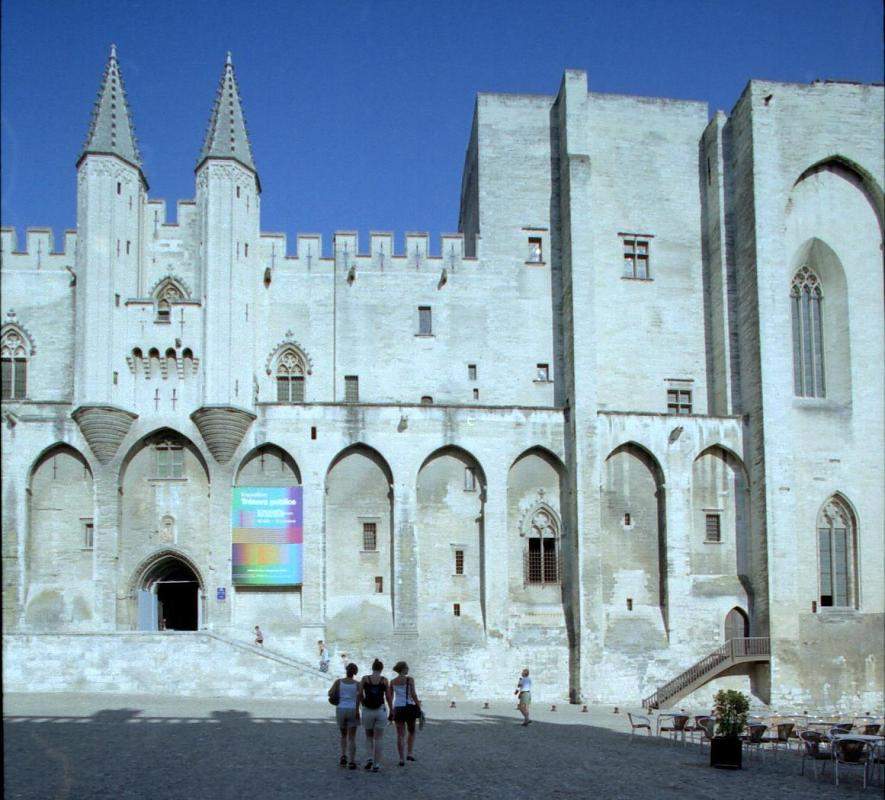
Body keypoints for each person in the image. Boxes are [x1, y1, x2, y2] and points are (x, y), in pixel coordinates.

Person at [388, 661, 422, 766]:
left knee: (400, 734)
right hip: (409, 707)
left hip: (398, 708)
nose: (408, 669)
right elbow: (413, 694)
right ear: (403, 669)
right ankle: (410, 753)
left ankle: (401, 759)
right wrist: (419, 706)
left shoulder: (393, 681)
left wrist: (391, 710)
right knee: (411, 731)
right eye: (407, 667)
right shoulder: (410, 680)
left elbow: (390, 697)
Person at [359, 659, 390, 772]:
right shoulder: (384, 680)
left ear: (372, 668)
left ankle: (369, 759)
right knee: (379, 738)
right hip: (380, 710)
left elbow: (360, 694)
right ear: (381, 669)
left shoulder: (365, 679)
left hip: (367, 710)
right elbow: (388, 696)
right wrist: (391, 710)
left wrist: (362, 705)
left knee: (369, 736)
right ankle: (376, 764)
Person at [329, 663, 360, 769]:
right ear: (355, 673)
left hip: (341, 709)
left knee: (343, 735)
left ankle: (343, 756)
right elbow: (361, 698)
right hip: (352, 710)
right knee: (352, 737)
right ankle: (352, 761)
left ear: (346, 671)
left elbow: (330, 693)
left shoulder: (338, 682)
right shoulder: (357, 684)